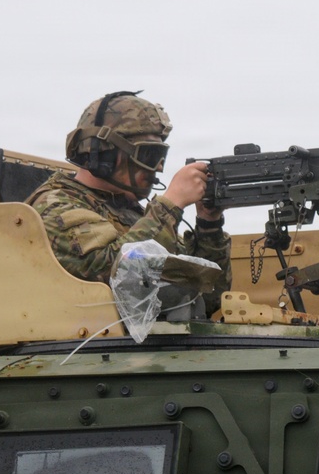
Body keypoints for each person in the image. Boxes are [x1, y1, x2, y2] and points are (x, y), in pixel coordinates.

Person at [27, 91, 231, 313]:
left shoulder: (131, 213)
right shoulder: (56, 206)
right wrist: (170, 204)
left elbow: (208, 296)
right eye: (149, 155)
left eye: (161, 156)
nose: (159, 167)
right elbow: (117, 275)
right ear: (102, 153)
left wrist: (209, 224)